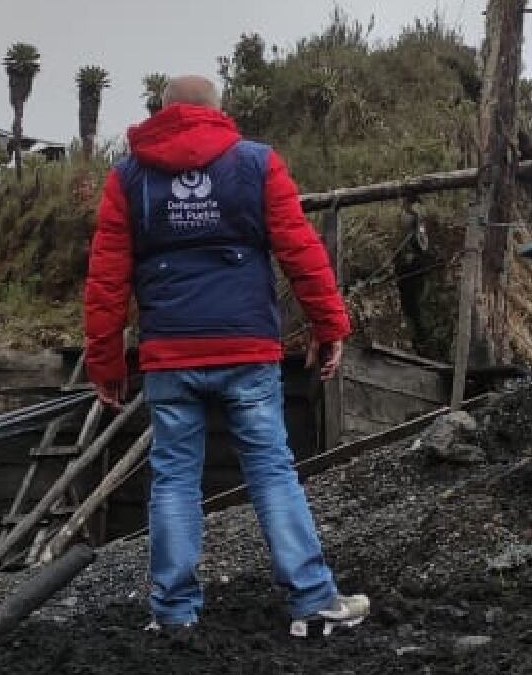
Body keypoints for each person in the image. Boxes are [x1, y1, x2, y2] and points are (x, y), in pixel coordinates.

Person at [83, 74, 370, 638]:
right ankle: (312, 602)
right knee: (271, 470)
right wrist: (328, 324)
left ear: (161, 111)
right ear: (218, 109)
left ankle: (172, 613)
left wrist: (107, 365)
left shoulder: (128, 177)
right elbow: (299, 248)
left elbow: (106, 279)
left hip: (169, 354)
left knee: (172, 480)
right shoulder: (257, 164)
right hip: (246, 349)